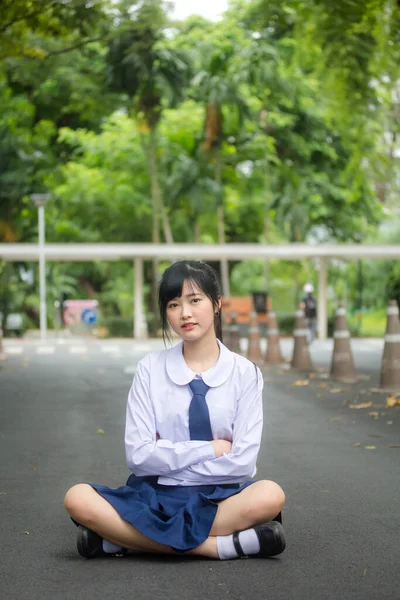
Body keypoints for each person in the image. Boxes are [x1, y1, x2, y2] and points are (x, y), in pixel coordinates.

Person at [64, 260, 286, 560]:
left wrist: (170, 462)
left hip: (220, 496)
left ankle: (124, 541)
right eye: (173, 304)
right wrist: (209, 449)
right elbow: (139, 457)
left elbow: (243, 463)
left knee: (271, 495)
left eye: (195, 300)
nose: (185, 313)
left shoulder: (245, 373)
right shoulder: (150, 370)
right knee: (77, 498)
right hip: (155, 495)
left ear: (217, 304)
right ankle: (221, 547)